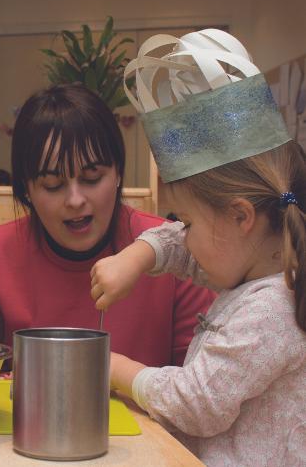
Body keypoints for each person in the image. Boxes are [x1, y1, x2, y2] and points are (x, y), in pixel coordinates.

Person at [91, 29, 306, 466]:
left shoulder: (271, 311)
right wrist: (136, 257)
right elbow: (180, 247)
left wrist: (118, 370)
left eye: (186, 221)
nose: (180, 235)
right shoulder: (254, 261)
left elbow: (198, 404)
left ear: (241, 217)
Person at [0, 82, 215, 367]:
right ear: (26, 189)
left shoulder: (177, 251)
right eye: (52, 184)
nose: (75, 200)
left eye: (92, 177)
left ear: (118, 172)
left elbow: (200, 381)